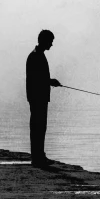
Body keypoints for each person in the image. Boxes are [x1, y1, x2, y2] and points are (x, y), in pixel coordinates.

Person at [26, 29, 61, 167]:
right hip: (37, 98)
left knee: (39, 127)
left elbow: (39, 78)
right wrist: (50, 81)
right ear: (44, 41)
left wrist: (49, 81)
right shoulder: (35, 56)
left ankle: (39, 156)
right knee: (38, 127)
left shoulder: (37, 55)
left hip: (38, 98)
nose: (51, 44)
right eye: (50, 41)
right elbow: (37, 79)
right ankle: (38, 158)